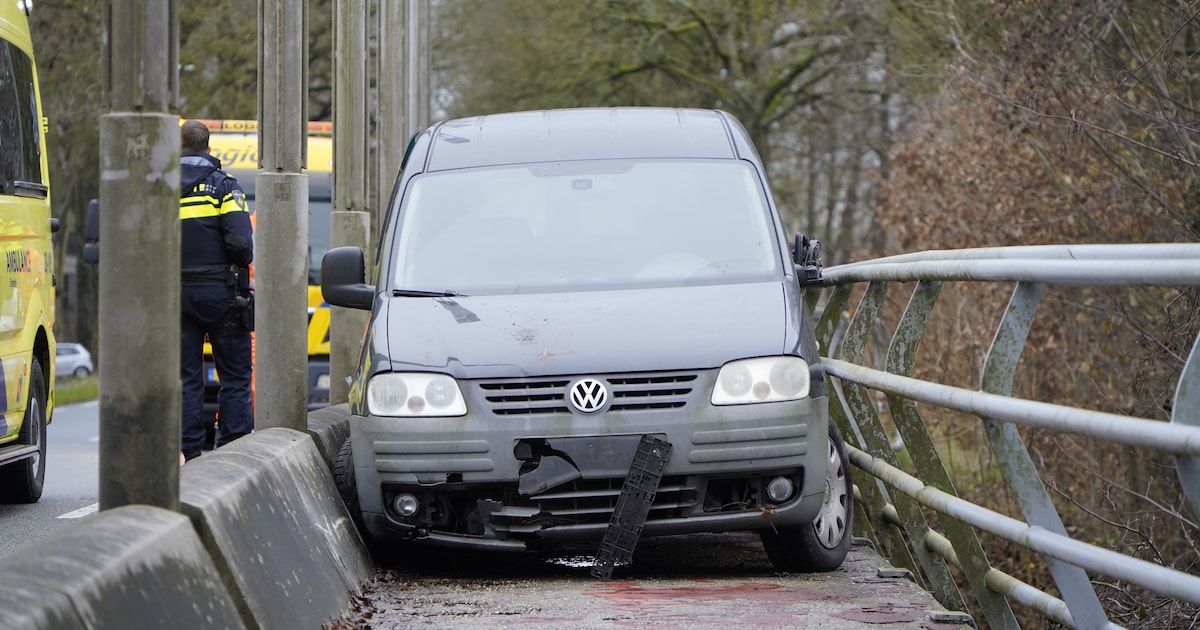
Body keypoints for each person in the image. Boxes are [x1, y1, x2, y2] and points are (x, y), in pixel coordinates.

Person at [180, 119, 254, 462]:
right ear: (209, 149)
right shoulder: (225, 188)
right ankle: (231, 449)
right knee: (235, 376)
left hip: (174, 297)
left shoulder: (159, 189)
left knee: (186, 377)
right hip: (221, 296)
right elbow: (241, 243)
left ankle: (188, 452)